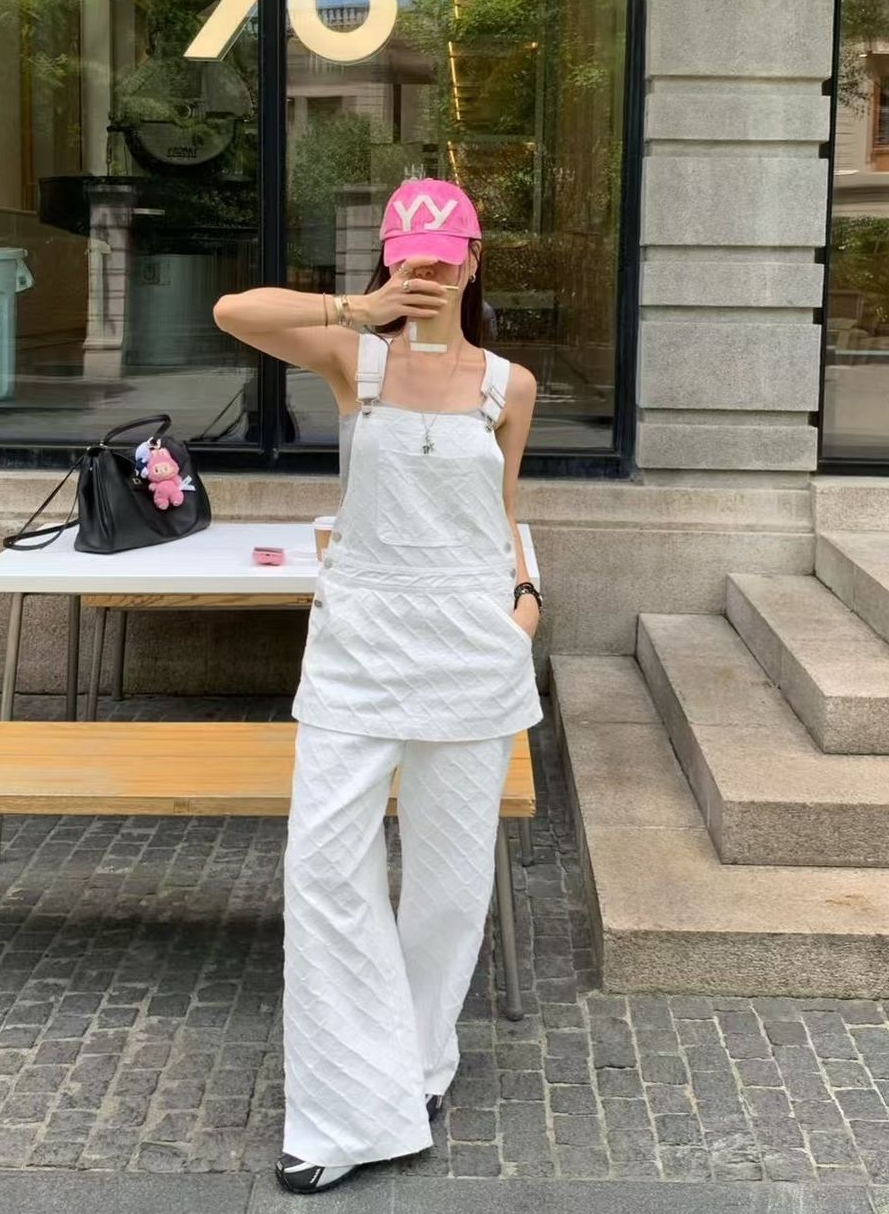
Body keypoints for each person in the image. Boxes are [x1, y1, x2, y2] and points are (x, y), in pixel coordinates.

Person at [213, 178, 543, 1194]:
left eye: (446, 258)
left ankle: (421, 1064)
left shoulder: (509, 386)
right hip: (360, 644)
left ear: (475, 260)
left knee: (449, 878)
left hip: (471, 644)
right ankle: (343, 1109)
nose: (430, 273)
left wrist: (525, 601)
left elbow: (500, 510)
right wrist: (355, 308)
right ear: (390, 257)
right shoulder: (353, 357)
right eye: (412, 257)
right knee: (322, 865)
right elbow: (232, 312)